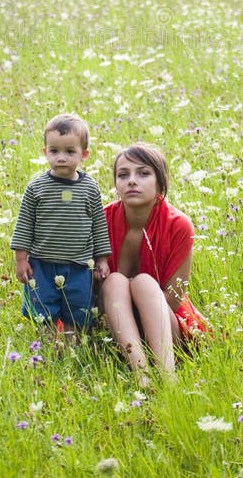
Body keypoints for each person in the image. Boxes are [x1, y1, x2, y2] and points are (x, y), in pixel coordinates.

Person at [99, 142, 208, 376]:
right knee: (115, 281)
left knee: (144, 283)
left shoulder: (179, 225)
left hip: (164, 330)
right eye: (123, 174)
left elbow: (175, 297)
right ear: (116, 184)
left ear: (160, 182)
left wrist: (139, 327)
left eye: (143, 173)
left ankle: (168, 379)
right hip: (114, 327)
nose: (132, 180)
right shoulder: (100, 220)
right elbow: (93, 290)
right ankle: (142, 376)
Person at [10, 113, 111, 330]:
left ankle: (72, 345)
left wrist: (101, 259)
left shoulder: (90, 188)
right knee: (43, 311)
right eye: (54, 151)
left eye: (70, 151)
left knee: (77, 310)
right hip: (42, 264)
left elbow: (99, 227)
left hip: (79, 266)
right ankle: (47, 347)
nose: (61, 157)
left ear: (84, 154)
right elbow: (24, 226)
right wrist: (21, 260)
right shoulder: (36, 188)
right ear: (45, 152)